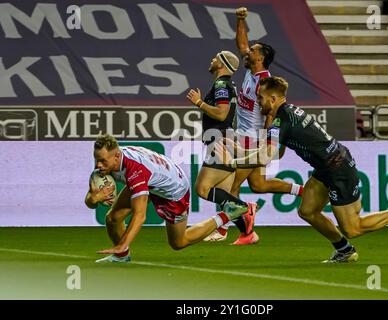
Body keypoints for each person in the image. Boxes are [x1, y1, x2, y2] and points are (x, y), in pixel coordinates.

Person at [219, 76, 388, 263]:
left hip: (337, 169)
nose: (259, 102)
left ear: (273, 99)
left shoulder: (281, 120)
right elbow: (277, 152)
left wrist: (235, 160)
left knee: (353, 228)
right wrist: (244, 151)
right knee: (307, 211)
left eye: (261, 98)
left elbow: (266, 156)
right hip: (327, 165)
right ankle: (344, 250)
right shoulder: (287, 112)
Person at [205, 7, 303, 245]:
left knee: (230, 186)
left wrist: (269, 142)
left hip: (252, 139)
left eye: (253, 51)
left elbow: (270, 114)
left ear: (260, 58)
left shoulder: (264, 83)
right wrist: (240, 20)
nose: (247, 52)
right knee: (258, 185)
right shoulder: (251, 71)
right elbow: (241, 43)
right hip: (245, 136)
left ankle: (229, 229)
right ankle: (303, 190)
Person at [85, 134, 248, 263]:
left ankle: (228, 214)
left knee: (178, 242)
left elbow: (140, 216)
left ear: (116, 156)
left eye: (102, 161)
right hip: (153, 180)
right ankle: (122, 257)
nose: (98, 165)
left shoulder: (135, 170)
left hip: (174, 190)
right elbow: (90, 201)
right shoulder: (107, 164)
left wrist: (122, 244)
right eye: (97, 160)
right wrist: (94, 199)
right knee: (113, 218)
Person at [186, 50, 257, 241]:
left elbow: (221, 114)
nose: (212, 59)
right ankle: (248, 233)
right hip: (225, 141)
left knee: (203, 189)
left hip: (219, 142)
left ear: (222, 64)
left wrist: (199, 102)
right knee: (225, 198)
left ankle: (245, 208)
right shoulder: (227, 85)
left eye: (215, 57)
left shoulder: (221, 85)